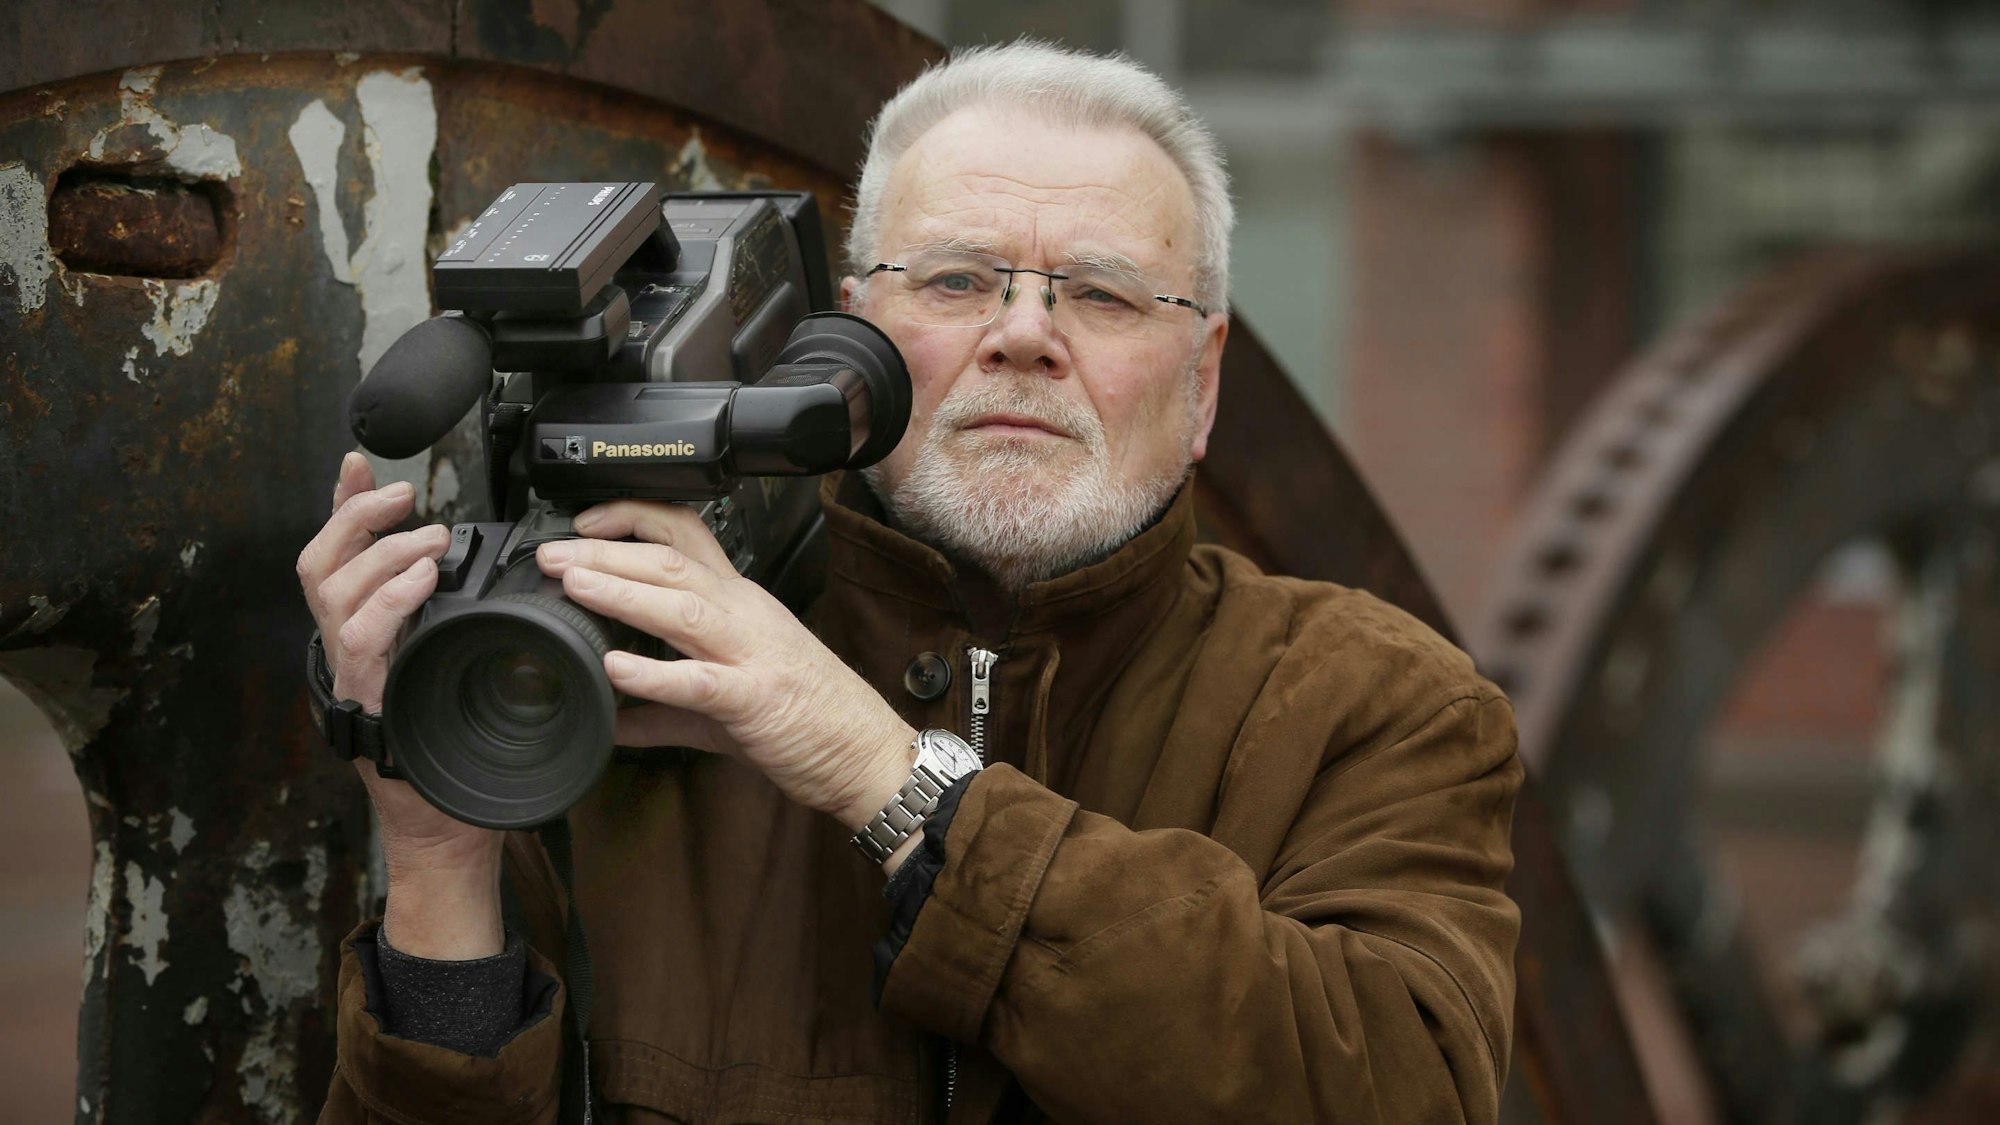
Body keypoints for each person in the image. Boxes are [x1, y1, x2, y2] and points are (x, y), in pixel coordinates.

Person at [298, 41, 1521, 1125]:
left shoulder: (1375, 703)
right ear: (838, 342)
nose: (1025, 334)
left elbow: (1399, 1087)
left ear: (1201, 385)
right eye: (953, 281)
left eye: (1100, 293)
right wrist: (441, 863)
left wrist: (884, 774)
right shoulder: (610, 663)